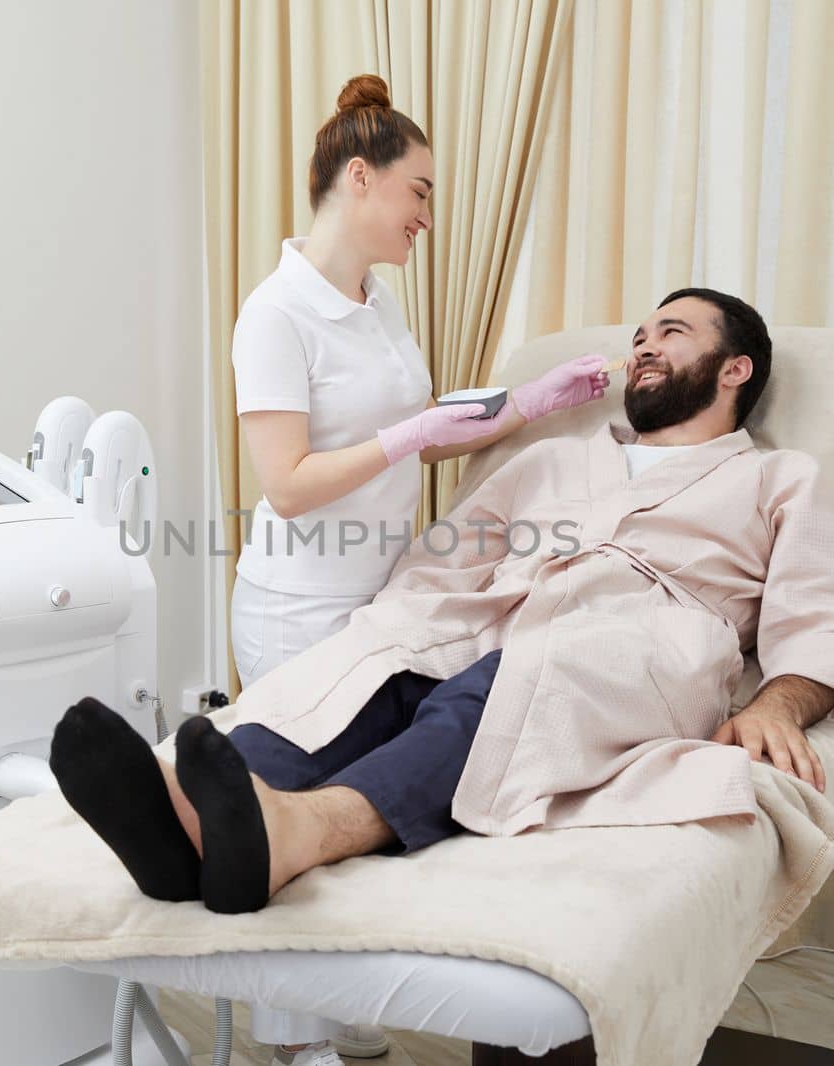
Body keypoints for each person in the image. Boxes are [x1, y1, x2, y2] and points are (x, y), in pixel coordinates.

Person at [54, 286, 834, 1026]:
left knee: (514, 680)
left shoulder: (782, 479)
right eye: (639, 334)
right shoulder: (557, 459)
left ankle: (303, 831)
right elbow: (441, 562)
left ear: (734, 368)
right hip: (496, 612)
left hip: (644, 638)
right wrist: (406, 626)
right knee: (379, 656)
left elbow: (831, 611)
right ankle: (189, 814)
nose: (644, 344)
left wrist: (776, 704)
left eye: (671, 332)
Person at [216, 72, 606, 1065]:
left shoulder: (375, 300)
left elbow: (427, 435)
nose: (429, 214)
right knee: (288, 804)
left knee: (339, 820)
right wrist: (406, 436)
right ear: (360, 178)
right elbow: (289, 482)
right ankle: (291, 1037)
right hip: (298, 604)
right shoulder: (275, 315)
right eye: (420, 190)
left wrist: (529, 401)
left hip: (381, 599)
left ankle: (336, 1002)